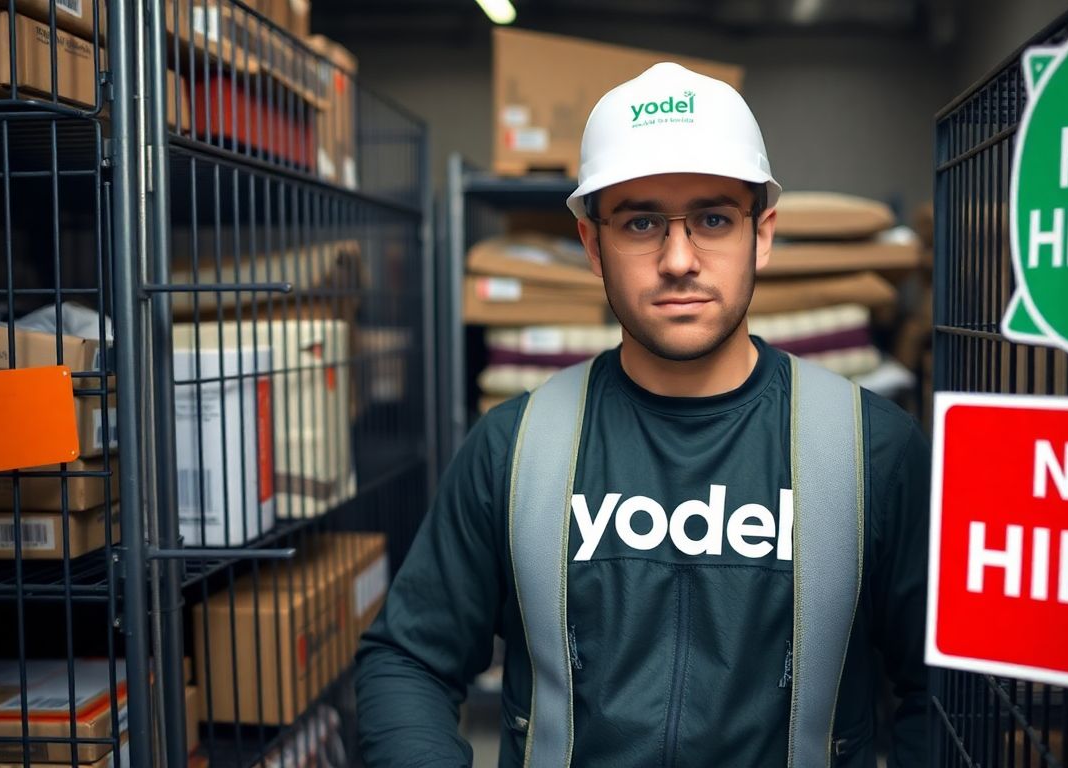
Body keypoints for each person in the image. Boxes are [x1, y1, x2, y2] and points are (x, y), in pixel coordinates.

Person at [356, 62, 930, 767]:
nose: (679, 259)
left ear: (764, 233)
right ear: (594, 245)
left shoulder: (873, 452)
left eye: (714, 218)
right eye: (641, 222)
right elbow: (408, 660)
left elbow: (941, 694)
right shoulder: (515, 450)